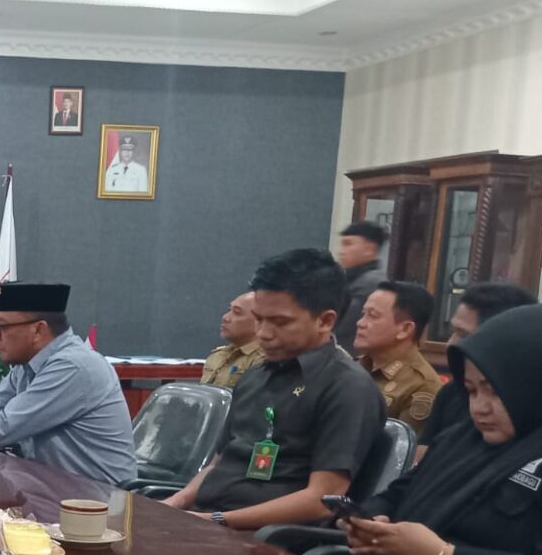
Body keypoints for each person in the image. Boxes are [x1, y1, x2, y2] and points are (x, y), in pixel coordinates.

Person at [338, 302, 542, 555]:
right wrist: (369, 520)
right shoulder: (463, 438)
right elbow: (401, 492)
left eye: (495, 391)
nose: (479, 408)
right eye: (471, 391)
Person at [164, 248, 385, 530]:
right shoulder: (256, 374)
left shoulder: (347, 386)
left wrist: (216, 521)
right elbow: (219, 464)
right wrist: (176, 504)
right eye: (258, 319)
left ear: (325, 321)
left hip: (269, 542)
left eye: (279, 322)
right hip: (212, 523)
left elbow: (322, 499)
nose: (263, 333)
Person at [0, 282, 137, 485]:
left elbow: (1, 429)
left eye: (2, 327)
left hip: (98, 502)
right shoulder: (27, 363)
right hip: (52, 486)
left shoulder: (73, 366)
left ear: (38, 330)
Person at [416, 283, 537, 463]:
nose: (451, 344)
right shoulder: (451, 392)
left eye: (464, 335)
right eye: (472, 391)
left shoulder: (534, 407)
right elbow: (421, 463)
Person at [353, 281, 443, 439]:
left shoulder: (422, 386)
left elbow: (401, 456)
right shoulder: (355, 366)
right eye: (363, 314)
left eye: (372, 316)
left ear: (405, 329)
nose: (360, 323)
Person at [333, 220, 388, 349]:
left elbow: (340, 326)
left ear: (369, 249)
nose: (342, 251)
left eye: (348, 244)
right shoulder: (353, 279)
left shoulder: (370, 283)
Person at [199, 291, 263, 389]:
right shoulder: (217, 355)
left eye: (237, 313)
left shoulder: (264, 360)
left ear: (260, 322)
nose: (225, 317)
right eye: (229, 310)